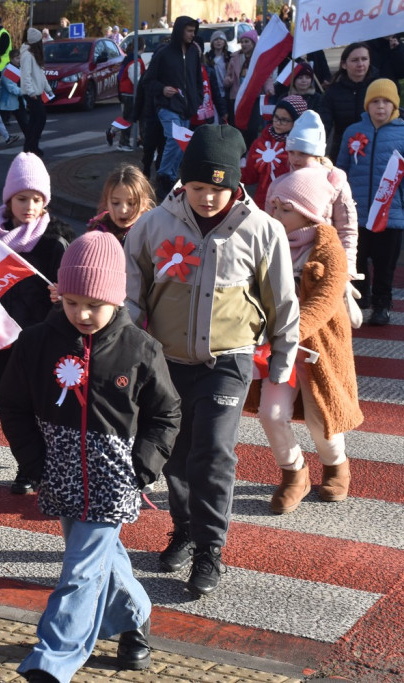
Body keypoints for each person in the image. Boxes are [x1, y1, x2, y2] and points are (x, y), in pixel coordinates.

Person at [123, 124, 300, 597]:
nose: (207, 198)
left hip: (229, 360)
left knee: (214, 454)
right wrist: (122, 342)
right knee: (176, 457)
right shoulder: (154, 224)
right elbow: (131, 289)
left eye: (218, 189)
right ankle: (183, 529)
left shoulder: (261, 229)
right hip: (168, 361)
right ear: (183, 183)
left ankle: (210, 550)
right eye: (198, 187)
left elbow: (282, 301)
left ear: (235, 185)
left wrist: (281, 361)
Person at [0, 231, 181, 682]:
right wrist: (34, 462)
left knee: (80, 569)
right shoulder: (39, 340)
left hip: (115, 476)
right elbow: (12, 403)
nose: (81, 313)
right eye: (72, 301)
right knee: (103, 560)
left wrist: (142, 467)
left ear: (116, 301)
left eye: (94, 305)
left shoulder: (140, 348)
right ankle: (136, 617)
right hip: (58, 469)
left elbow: (167, 412)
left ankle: (53, 658)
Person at [0, 153, 74, 494]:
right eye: (22, 198)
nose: (30, 206)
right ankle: (29, 462)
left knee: (43, 404)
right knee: (4, 399)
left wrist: (62, 293)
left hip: (42, 339)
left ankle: (37, 467)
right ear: (9, 200)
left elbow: (75, 291)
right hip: (3, 338)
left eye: (37, 199)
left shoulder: (56, 239)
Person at [253, 168, 363, 514]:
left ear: (309, 212)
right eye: (274, 207)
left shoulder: (328, 249)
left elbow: (325, 301)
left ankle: (336, 466)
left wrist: (288, 333)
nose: (275, 214)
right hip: (277, 350)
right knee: (271, 413)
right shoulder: (267, 241)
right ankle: (294, 473)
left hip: (318, 351)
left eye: (285, 209)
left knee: (323, 420)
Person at [337, 79, 404, 326]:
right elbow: (342, 167)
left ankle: (382, 303)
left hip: (391, 214)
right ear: (367, 105)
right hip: (356, 212)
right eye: (375, 101)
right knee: (356, 258)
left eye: (386, 102)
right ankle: (360, 296)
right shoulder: (353, 132)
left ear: (395, 105)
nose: (380, 107)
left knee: (385, 263)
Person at [285, 111, 360, 281]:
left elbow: (347, 229)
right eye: (292, 152)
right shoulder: (281, 183)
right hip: (285, 266)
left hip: (323, 265)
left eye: (303, 153)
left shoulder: (334, 181)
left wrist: (345, 268)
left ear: (317, 155)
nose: (295, 159)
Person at [140, 16, 203, 198]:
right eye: (189, 31)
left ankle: (172, 180)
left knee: (182, 144)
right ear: (179, 31)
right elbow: (147, 81)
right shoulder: (163, 53)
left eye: (194, 31)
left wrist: (197, 100)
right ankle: (164, 177)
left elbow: (198, 81)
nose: (192, 35)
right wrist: (162, 89)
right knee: (174, 139)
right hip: (166, 106)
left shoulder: (193, 53)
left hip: (186, 107)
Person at [240, 95, 307, 210]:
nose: (278, 123)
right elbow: (250, 175)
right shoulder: (260, 143)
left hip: (290, 206)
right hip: (263, 204)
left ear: (297, 122)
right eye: (276, 117)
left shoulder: (301, 148)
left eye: (285, 120)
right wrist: (232, 172)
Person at [319, 43, 375, 163]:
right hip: (341, 151)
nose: (360, 64)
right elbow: (324, 126)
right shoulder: (332, 92)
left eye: (364, 59)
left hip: (373, 151)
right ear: (344, 64)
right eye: (355, 60)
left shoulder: (377, 87)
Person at [87, 164, 155, 243]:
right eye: (115, 203)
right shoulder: (96, 234)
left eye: (131, 203)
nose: (123, 210)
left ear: (144, 203)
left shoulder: (151, 235)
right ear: (106, 203)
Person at [20, 29, 53, 157]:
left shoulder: (33, 54)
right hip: (32, 93)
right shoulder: (27, 55)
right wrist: (30, 91)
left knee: (35, 120)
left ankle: (30, 147)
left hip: (36, 92)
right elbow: (26, 75)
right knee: (40, 119)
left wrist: (48, 88)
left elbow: (40, 75)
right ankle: (31, 146)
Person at [109, 41, 146, 151]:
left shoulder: (130, 58)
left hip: (128, 92)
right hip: (130, 93)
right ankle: (122, 142)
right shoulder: (135, 61)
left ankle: (142, 140)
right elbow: (136, 79)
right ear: (142, 47)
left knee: (137, 117)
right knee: (129, 118)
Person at [0, 49, 29, 137]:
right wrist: (24, 91)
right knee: (4, 119)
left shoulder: (17, 68)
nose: (19, 60)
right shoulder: (8, 70)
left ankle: (29, 134)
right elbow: (11, 87)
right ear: (11, 59)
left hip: (16, 99)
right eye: (17, 58)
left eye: (20, 58)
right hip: (9, 99)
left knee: (22, 118)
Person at [205, 31, 232, 120]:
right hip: (214, 91)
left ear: (224, 42)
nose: (218, 41)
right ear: (212, 42)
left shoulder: (229, 56)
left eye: (221, 39)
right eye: (216, 39)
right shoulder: (207, 57)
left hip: (227, 91)